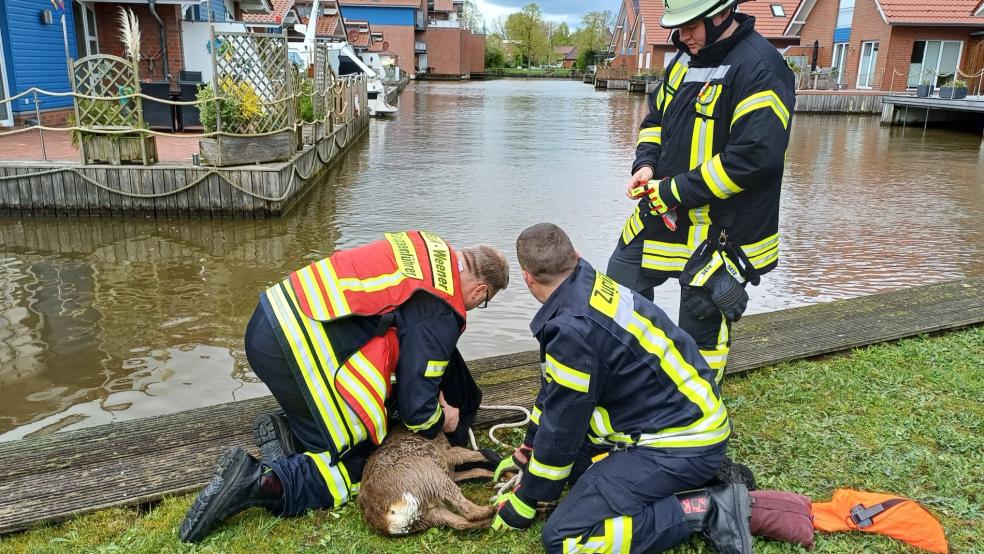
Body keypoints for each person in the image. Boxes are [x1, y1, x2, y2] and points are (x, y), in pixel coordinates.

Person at [179, 230, 509, 542]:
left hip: (269, 320)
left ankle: (295, 433)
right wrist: (443, 420)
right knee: (360, 462)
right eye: (482, 303)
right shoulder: (443, 308)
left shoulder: (428, 247)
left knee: (342, 426)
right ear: (479, 291)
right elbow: (416, 409)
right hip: (301, 349)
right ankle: (262, 483)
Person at [492, 223, 752, 553]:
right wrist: (529, 452)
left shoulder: (572, 330)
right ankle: (693, 480)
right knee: (569, 475)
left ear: (527, 277)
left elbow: (564, 426)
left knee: (563, 538)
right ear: (576, 256)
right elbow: (555, 396)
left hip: (680, 443)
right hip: (687, 418)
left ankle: (705, 509)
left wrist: (528, 497)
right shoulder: (588, 284)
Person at [607, 0, 796, 384]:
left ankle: (698, 410)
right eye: (677, 27)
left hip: (723, 231)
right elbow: (655, 119)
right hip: (665, 212)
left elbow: (755, 158)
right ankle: (635, 378)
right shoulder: (681, 59)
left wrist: (675, 189)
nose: (682, 35)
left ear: (722, 14)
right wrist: (645, 164)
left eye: (691, 25)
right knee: (620, 288)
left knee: (701, 331)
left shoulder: (760, 66)